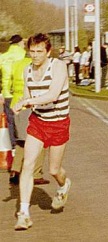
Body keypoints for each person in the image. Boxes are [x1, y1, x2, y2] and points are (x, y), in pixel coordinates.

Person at [12, 33, 71, 230]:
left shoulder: (58, 66)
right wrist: (21, 105)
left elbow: (53, 95)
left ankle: (63, 186)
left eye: (39, 51)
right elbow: (28, 95)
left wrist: (27, 101)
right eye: (32, 51)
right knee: (27, 165)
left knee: (54, 170)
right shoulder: (27, 70)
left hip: (58, 123)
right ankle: (24, 214)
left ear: (48, 51)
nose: (35, 55)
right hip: (38, 122)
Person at [9, 55, 50, 185]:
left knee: (21, 140)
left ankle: (15, 170)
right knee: (41, 140)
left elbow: (9, 83)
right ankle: (36, 173)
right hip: (31, 106)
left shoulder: (16, 64)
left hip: (17, 104)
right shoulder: (36, 67)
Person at [0, 34, 26, 152]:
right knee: (23, 120)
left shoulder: (3, 57)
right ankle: (23, 144)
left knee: (10, 120)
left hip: (7, 93)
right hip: (21, 92)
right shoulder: (23, 55)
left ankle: (13, 145)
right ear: (20, 43)